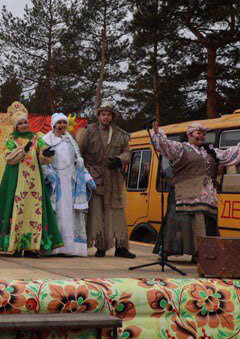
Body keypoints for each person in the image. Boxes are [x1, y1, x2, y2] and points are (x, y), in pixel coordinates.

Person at [151, 121, 240, 262]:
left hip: (205, 197)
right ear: (190, 134)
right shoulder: (181, 149)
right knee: (179, 223)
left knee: (206, 223)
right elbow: (165, 146)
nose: (202, 136)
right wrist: (158, 134)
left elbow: (230, 154)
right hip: (183, 193)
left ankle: (201, 253)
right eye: (199, 133)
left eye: (204, 134)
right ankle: (168, 250)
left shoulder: (210, 152)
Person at [0, 101, 63, 257]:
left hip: (35, 183)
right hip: (17, 181)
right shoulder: (12, 140)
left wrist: (46, 155)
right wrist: (23, 150)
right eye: (20, 123)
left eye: (25, 122)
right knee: (17, 209)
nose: (24, 125)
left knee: (33, 210)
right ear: (15, 126)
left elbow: (42, 156)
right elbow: (9, 159)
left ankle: (31, 246)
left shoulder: (37, 138)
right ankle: (15, 245)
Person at [76, 101, 135, 258]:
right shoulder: (88, 131)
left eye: (109, 114)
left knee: (117, 212)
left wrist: (119, 159)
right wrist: (82, 175)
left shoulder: (120, 134)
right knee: (97, 212)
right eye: (103, 114)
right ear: (99, 115)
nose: (106, 117)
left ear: (113, 116)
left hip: (114, 178)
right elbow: (79, 153)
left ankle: (121, 246)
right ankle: (101, 246)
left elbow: (127, 153)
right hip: (95, 177)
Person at [42, 113, 95, 257]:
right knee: (58, 214)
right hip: (56, 185)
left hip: (71, 184)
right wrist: (49, 174)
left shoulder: (70, 141)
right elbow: (41, 162)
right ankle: (56, 247)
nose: (62, 126)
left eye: (64, 123)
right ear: (53, 125)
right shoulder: (45, 141)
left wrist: (87, 177)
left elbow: (78, 162)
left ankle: (71, 248)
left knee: (72, 215)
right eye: (59, 123)